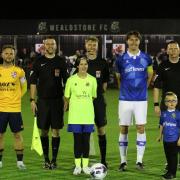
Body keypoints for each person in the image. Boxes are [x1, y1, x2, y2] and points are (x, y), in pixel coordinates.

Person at [115, 30, 153, 171]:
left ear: (139, 41)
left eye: (136, 40)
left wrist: (144, 88)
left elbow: (150, 74)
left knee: (140, 128)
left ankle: (139, 161)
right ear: (127, 42)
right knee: (123, 128)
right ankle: (123, 161)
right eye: (131, 40)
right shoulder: (120, 59)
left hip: (141, 100)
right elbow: (118, 77)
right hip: (125, 99)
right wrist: (124, 90)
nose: (133, 42)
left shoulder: (146, 58)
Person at [30, 36, 68, 170]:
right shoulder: (38, 62)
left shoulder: (61, 61)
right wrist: (32, 100)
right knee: (44, 131)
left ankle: (54, 160)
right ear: (44, 46)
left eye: (53, 44)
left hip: (57, 101)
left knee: (56, 131)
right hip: (43, 102)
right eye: (48, 44)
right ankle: (46, 160)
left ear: (56, 46)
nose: (50, 46)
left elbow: (67, 82)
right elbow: (33, 82)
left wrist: (66, 99)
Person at [64, 56, 97, 175]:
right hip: (75, 116)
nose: (84, 66)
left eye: (85, 64)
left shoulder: (93, 80)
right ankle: (78, 166)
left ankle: (86, 166)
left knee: (86, 141)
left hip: (88, 115)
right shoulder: (71, 80)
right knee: (77, 141)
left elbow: (93, 96)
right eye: (81, 64)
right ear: (77, 66)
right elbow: (67, 96)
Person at [153, 40, 180, 170]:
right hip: (168, 106)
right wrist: (156, 104)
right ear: (167, 51)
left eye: (176, 48)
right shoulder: (163, 65)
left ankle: (175, 161)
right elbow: (156, 86)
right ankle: (171, 161)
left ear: (179, 50)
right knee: (168, 133)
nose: (173, 51)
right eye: (171, 48)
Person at [0, 45, 27, 169]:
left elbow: (25, 87)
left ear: (14, 55)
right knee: (0, 135)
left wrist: (18, 97)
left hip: (15, 109)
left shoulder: (19, 71)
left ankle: (20, 162)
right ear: (2, 55)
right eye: (6, 53)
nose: (9, 56)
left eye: (11, 53)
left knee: (17, 135)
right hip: (1, 109)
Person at [85, 36, 109, 168]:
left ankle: (104, 159)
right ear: (86, 46)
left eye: (94, 45)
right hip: (84, 101)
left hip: (98, 100)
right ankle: (84, 160)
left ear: (97, 46)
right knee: (85, 130)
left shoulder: (103, 62)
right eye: (90, 44)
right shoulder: (81, 62)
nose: (92, 47)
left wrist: (98, 95)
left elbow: (105, 83)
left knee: (101, 129)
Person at [156, 92, 180, 180]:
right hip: (166, 140)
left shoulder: (178, 114)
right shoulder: (164, 114)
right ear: (165, 103)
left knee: (173, 157)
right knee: (168, 157)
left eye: (174, 101)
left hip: (174, 139)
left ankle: (172, 174)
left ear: (177, 102)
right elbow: (162, 125)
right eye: (169, 101)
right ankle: (169, 172)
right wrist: (160, 136)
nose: (171, 103)